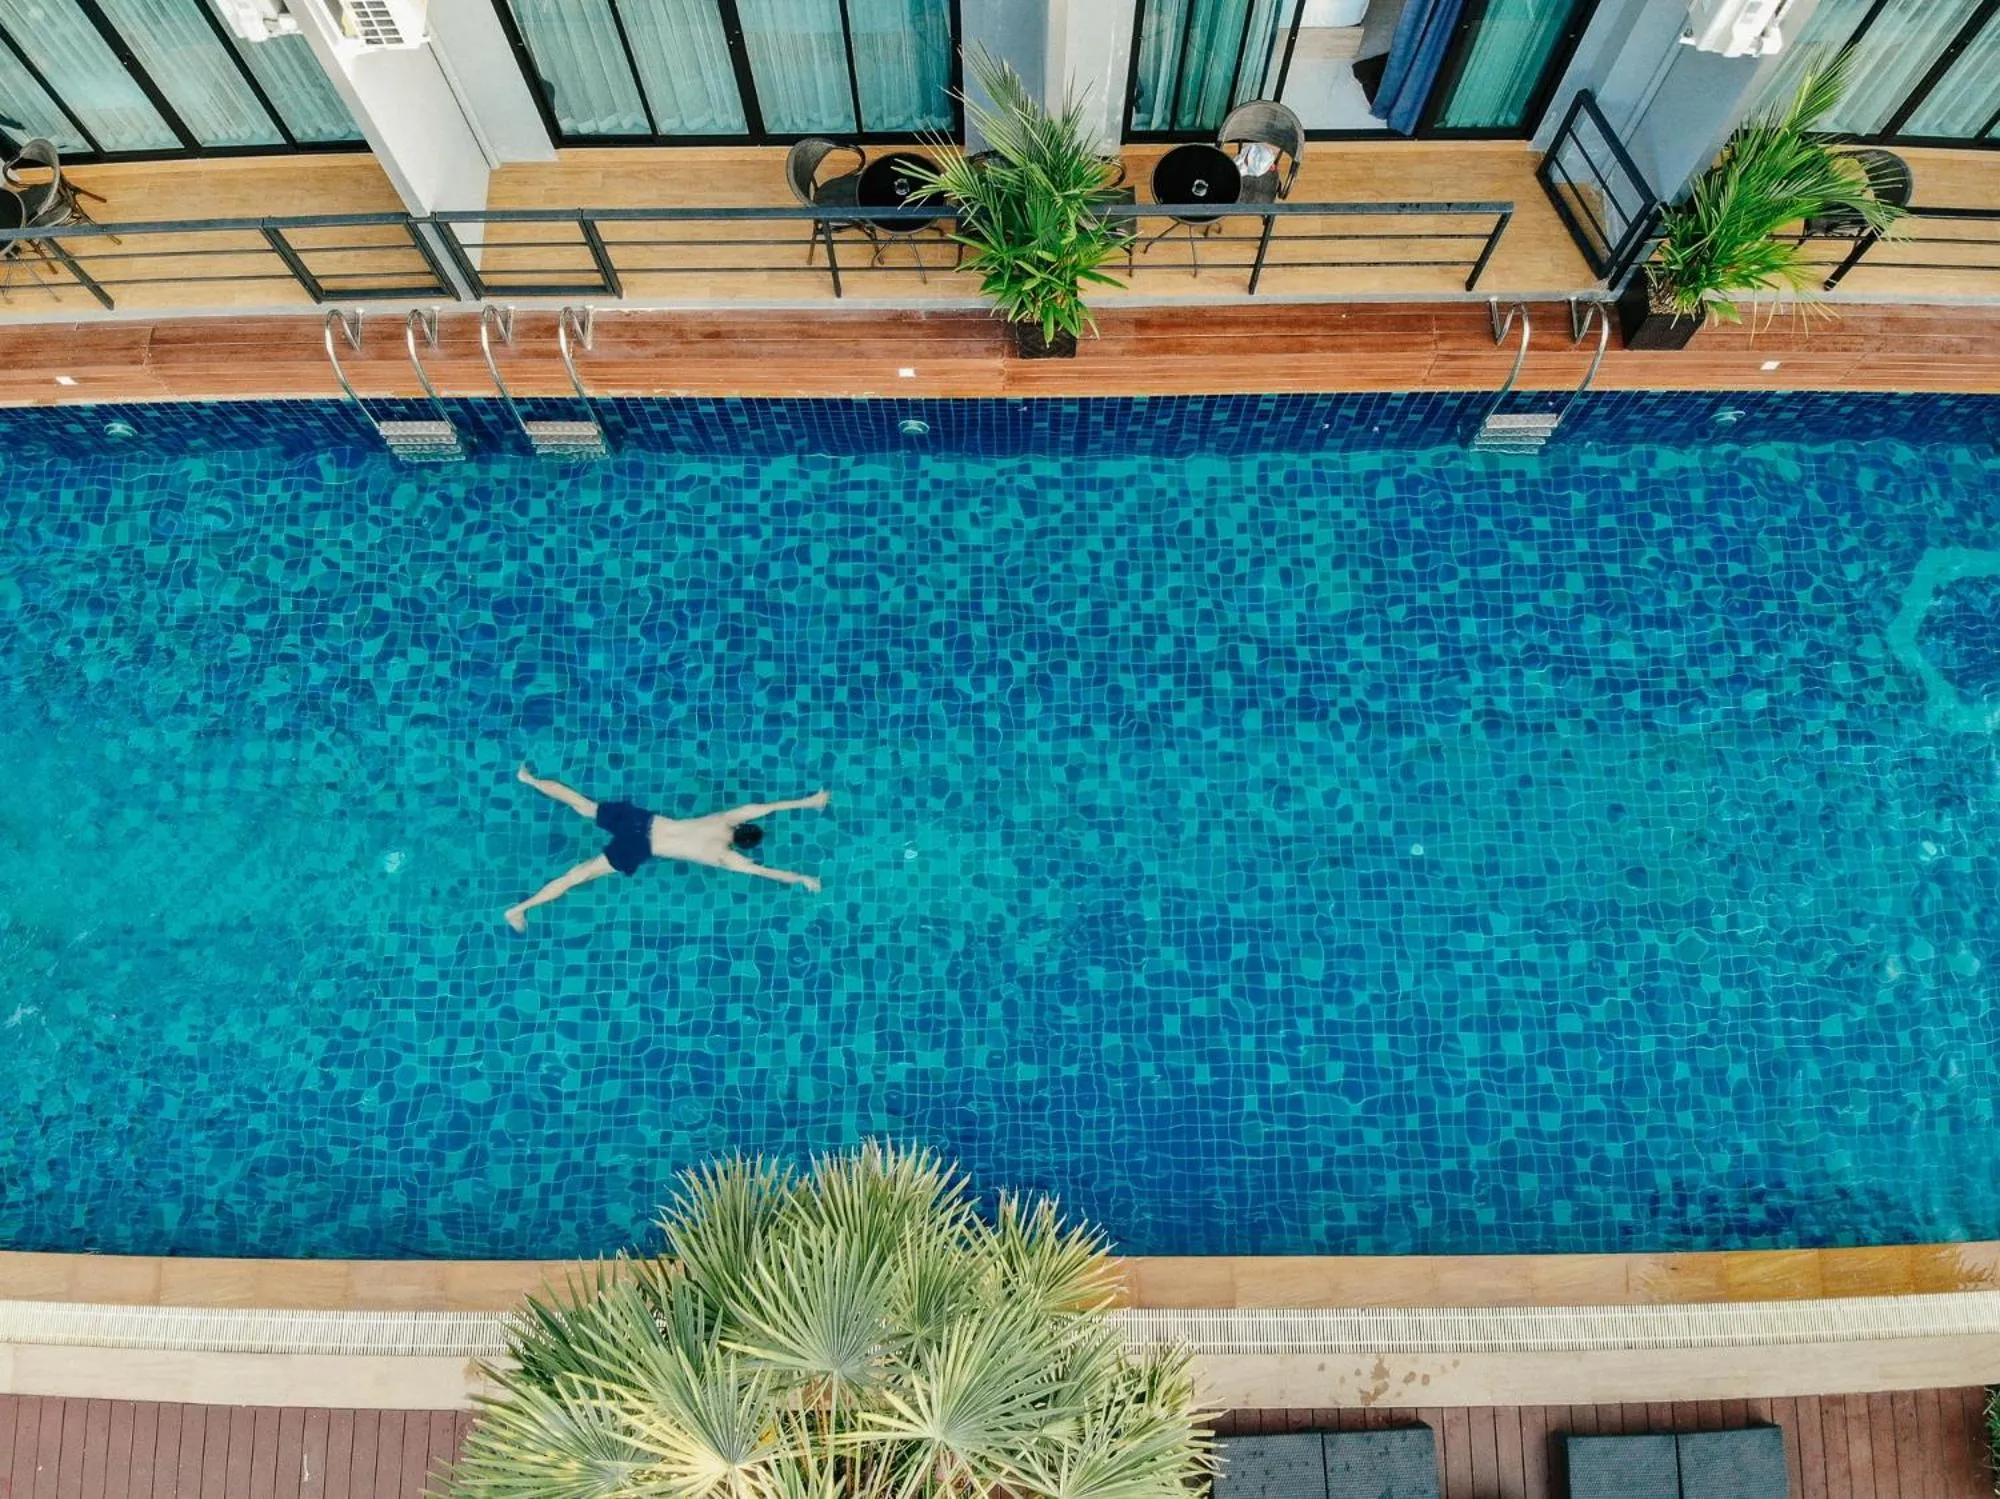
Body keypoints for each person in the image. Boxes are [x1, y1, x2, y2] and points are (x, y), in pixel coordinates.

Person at [505, 764, 829, 931]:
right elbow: (764, 872)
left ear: (742, 828)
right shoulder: (724, 857)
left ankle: (528, 779)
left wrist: (809, 800)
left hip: (641, 822)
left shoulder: (724, 819)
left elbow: (766, 806)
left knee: (582, 804)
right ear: (744, 846)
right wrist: (801, 878)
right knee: (576, 876)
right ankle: (518, 910)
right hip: (641, 848)